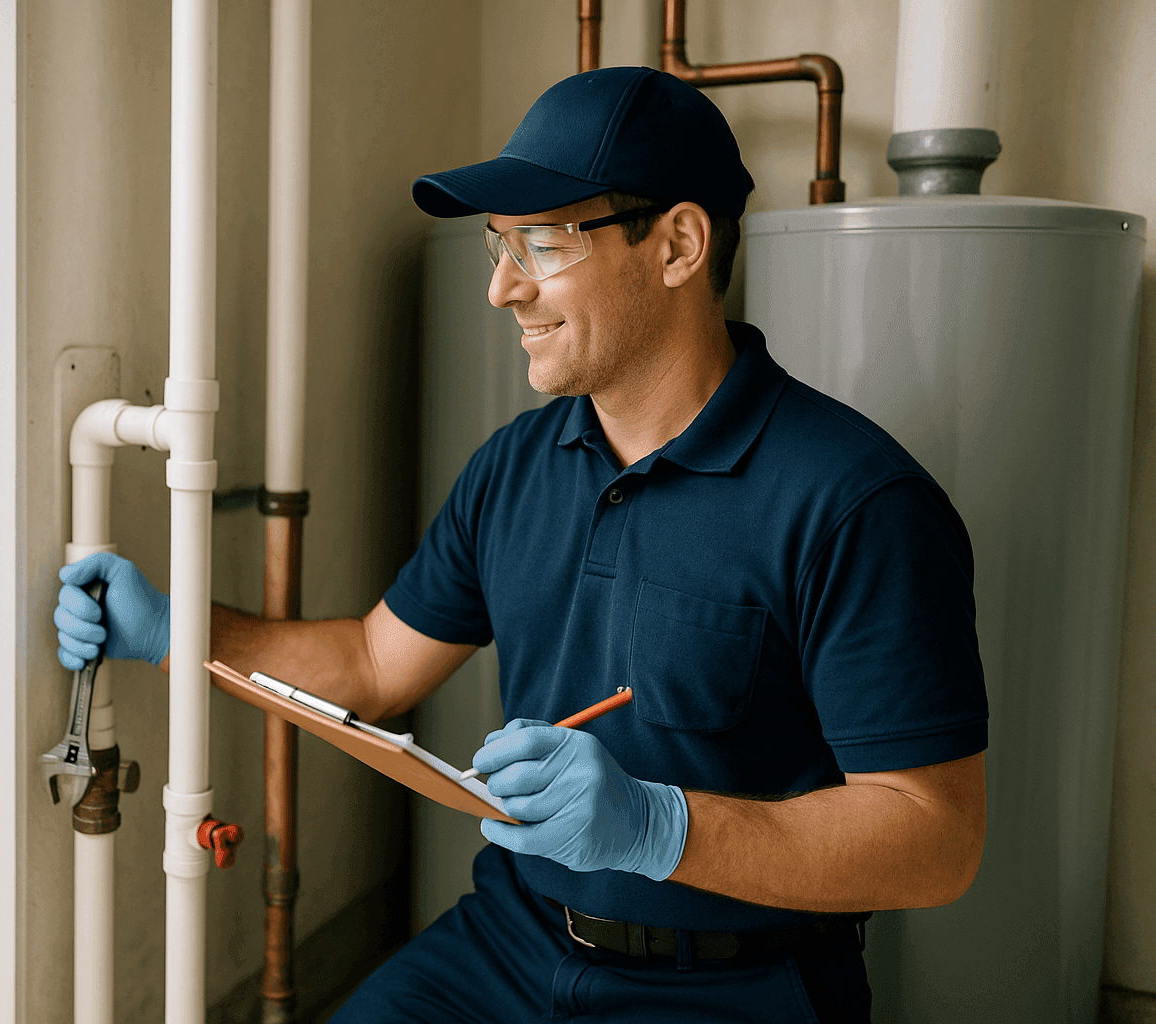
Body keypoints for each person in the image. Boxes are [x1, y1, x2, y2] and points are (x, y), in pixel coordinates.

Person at [53, 66, 988, 1023]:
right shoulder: (516, 468)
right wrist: (175, 629)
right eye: (499, 247)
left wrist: (660, 829)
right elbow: (375, 663)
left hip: (734, 984)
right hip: (511, 943)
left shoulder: (855, 502)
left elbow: (936, 838)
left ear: (676, 245)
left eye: (540, 244)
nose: (503, 288)